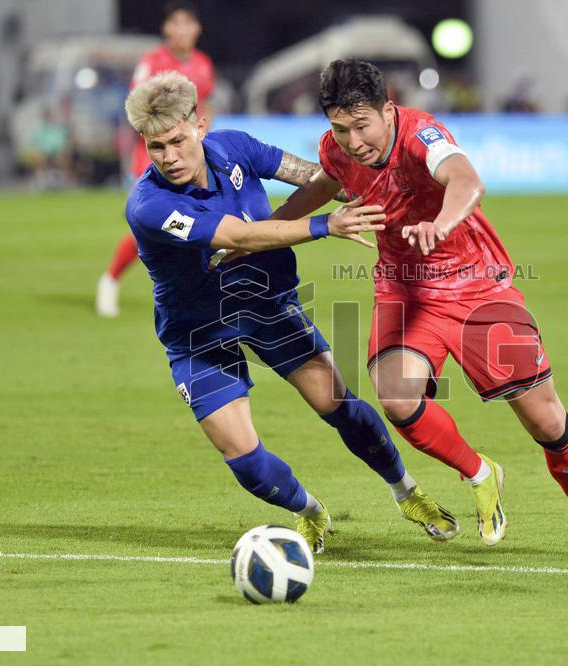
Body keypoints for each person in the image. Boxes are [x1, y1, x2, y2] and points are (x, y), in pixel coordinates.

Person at [272, 59, 568, 560]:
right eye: (340, 128)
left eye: (362, 126)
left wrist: (441, 222)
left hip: (475, 285)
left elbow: (467, 181)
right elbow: (323, 186)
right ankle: (480, 473)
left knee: (545, 422)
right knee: (397, 398)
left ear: (387, 109)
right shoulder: (335, 149)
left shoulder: (423, 135)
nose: (353, 140)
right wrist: (265, 233)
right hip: (404, 286)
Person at [122, 71, 459, 553]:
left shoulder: (234, 146)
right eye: (156, 148)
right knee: (242, 458)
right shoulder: (149, 206)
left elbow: (309, 175)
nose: (169, 157)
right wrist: (327, 225)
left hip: (266, 307)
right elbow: (238, 237)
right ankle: (310, 511)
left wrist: (366, 186)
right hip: (196, 331)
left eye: (177, 141)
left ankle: (408, 492)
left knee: (339, 406)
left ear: (200, 125)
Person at [97, 0, 217, 317]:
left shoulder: (203, 64)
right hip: (153, 158)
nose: (182, 30)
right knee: (153, 222)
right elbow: (137, 110)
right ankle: (110, 281)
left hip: (192, 154)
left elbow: (204, 106)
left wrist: (207, 142)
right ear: (166, 29)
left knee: (194, 221)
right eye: (176, 24)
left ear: (198, 28)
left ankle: (194, 293)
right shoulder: (153, 63)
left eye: (188, 24)